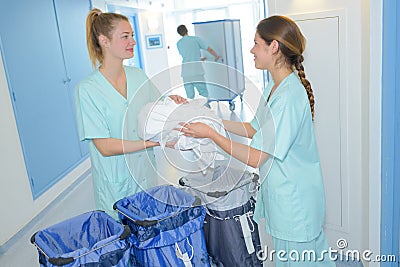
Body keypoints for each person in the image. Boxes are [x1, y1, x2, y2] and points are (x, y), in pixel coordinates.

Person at [178, 15, 335, 266]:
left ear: (273, 47)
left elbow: (255, 156)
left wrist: (211, 135)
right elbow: (252, 129)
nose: (251, 50)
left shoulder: (287, 97)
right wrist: (208, 119)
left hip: (295, 206)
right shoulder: (275, 88)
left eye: (256, 43)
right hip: (286, 200)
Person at [74, 8, 187, 219]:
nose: (133, 41)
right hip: (116, 183)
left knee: (148, 236)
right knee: (124, 239)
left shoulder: (138, 75)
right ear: (104, 41)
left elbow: (156, 108)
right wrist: (152, 143)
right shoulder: (87, 89)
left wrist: (171, 103)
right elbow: (105, 147)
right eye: (125, 36)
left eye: (132, 36)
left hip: (145, 174)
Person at [176, 24, 220, 99]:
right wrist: (216, 56)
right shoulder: (196, 39)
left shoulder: (179, 43)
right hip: (196, 72)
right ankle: (206, 109)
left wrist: (198, 59)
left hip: (186, 73)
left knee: (190, 97)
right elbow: (209, 49)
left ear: (179, 33)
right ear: (187, 30)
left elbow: (187, 56)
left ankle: (193, 110)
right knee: (203, 93)